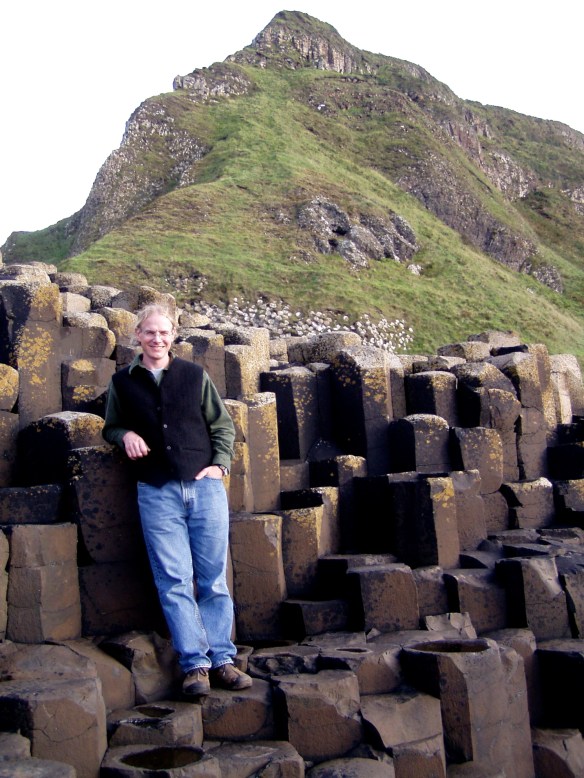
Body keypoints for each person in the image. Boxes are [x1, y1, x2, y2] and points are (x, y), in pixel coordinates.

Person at [102, 303, 252, 697]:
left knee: (213, 580)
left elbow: (222, 425)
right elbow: (112, 426)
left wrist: (219, 465)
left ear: (174, 336)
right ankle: (195, 666)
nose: (157, 339)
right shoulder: (122, 382)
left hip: (204, 488)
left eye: (165, 333)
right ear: (137, 335)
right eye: (150, 332)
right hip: (156, 491)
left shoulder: (194, 375)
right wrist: (124, 436)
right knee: (173, 581)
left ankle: (222, 659)